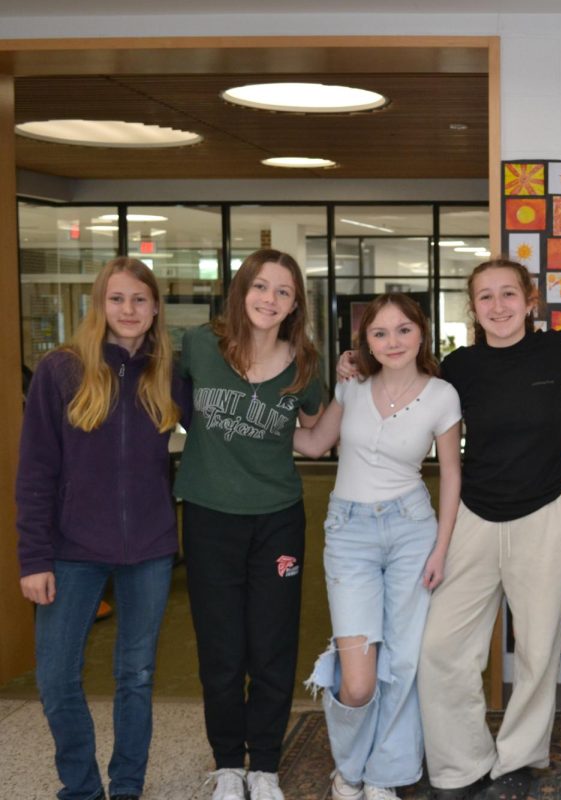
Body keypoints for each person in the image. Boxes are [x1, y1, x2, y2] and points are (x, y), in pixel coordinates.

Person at [16, 257, 187, 800]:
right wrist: (34, 558)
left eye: (140, 299)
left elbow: (231, 415)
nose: (129, 310)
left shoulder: (168, 372)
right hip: (70, 551)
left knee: (135, 677)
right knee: (56, 678)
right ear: (100, 304)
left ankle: (128, 788)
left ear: (156, 306)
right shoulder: (60, 370)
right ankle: (82, 788)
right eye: (117, 299)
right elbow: (36, 470)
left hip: (151, 550)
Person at [416, 258, 561, 800]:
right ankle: (460, 763)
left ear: (530, 300)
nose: (498, 306)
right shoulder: (457, 366)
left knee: (537, 649)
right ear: (473, 309)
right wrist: (354, 366)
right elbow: (402, 387)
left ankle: (518, 759)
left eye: (508, 294)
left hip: (547, 512)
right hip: (474, 514)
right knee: (442, 647)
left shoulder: (560, 352)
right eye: (485, 297)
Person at [294, 293, 462, 800]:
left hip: (413, 530)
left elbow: (452, 476)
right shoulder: (351, 386)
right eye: (380, 333)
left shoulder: (442, 395)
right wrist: (258, 412)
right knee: (360, 678)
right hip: (349, 533)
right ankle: (349, 767)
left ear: (421, 334)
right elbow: (312, 443)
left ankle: (385, 775)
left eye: (403, 330)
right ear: (364, 341)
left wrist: (440, 550)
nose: (393, 341)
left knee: (404, 664)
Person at [174, 249, 326, 800]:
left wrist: (357, 384)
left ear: (294, 305)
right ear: (240, 291)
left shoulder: (304, 365)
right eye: (260, 287)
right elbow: (170, 404)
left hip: (277, 520)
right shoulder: (198, 347)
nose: (269, 299)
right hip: (211, 516)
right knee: (221, 648)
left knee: (272, 645)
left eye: (283, 292)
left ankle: (264, 764)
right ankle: (228, 765)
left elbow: (311, 439)